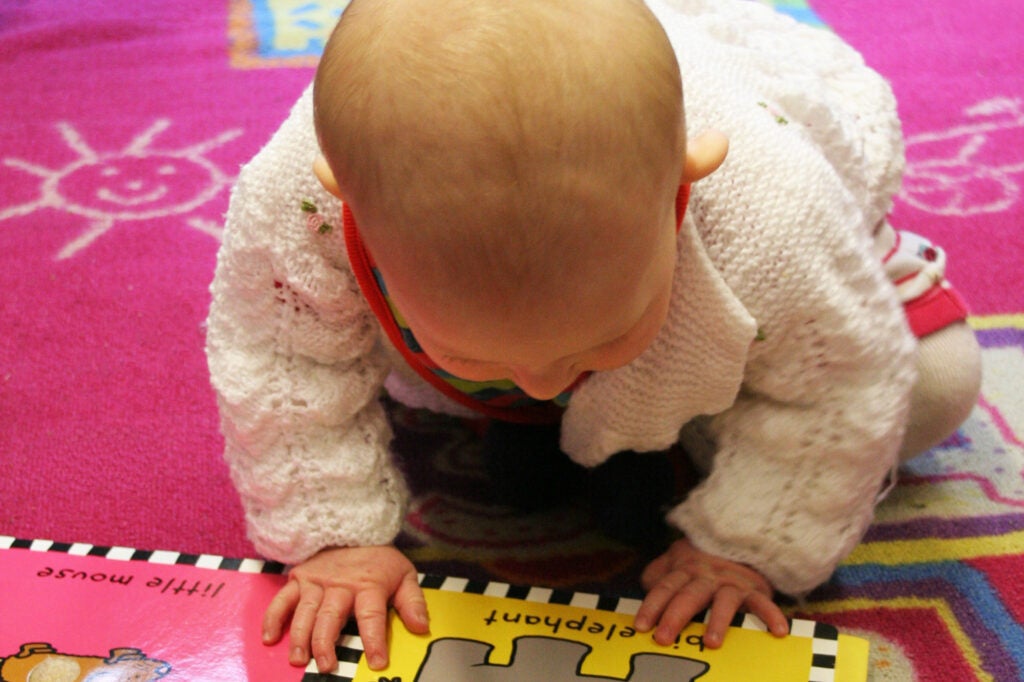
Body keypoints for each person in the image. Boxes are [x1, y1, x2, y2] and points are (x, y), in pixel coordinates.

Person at [205, 0, 982, 673]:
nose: (540, 380)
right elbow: (281, 358)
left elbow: (842, 380)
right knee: (455, 372)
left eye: (593, 343)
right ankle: (580, 393)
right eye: (483, 349)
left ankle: (665, 416)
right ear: (352, 211)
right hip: (490, 341)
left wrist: (748, 543)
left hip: (768, 294)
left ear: (683, 190)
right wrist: (333, 535)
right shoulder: (297, 206)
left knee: (935, 384)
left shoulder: (774, 214)